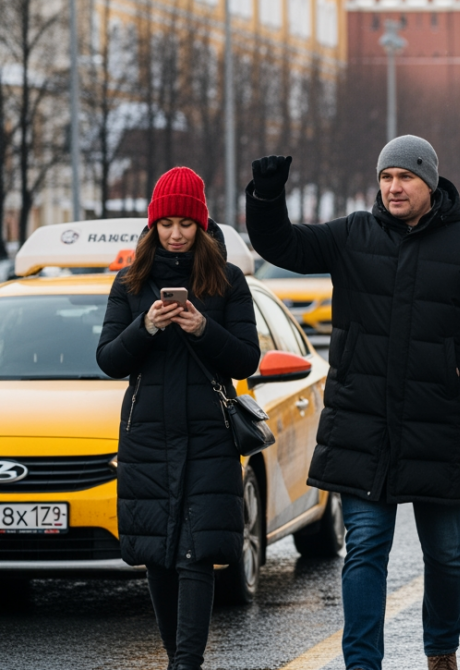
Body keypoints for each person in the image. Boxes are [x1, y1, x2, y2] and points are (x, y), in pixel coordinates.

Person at [244, 137, 460, 670]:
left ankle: (441, 650)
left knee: (445, 554)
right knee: (366, 547)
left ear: (430, 183)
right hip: (361, 424)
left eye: (406, 178)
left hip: (437, 424)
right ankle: (362, 663)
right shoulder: (353, 234)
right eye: (386, 178)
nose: (394, 187)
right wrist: (266, 194)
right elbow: (282, 245)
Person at [97, 167, 261, 670]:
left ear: (201, 225)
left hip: (209, 438)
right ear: (152, 226)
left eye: (185, 224)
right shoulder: (130, 283)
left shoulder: (227, 281)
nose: (175, 233)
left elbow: (246, 360)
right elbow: (108, 360)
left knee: (195, 556)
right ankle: (178, 658)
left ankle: (185, 663)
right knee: (159, 557)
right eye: (165, 223)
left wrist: (201, 327)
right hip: (147, 438)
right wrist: (145, 326)